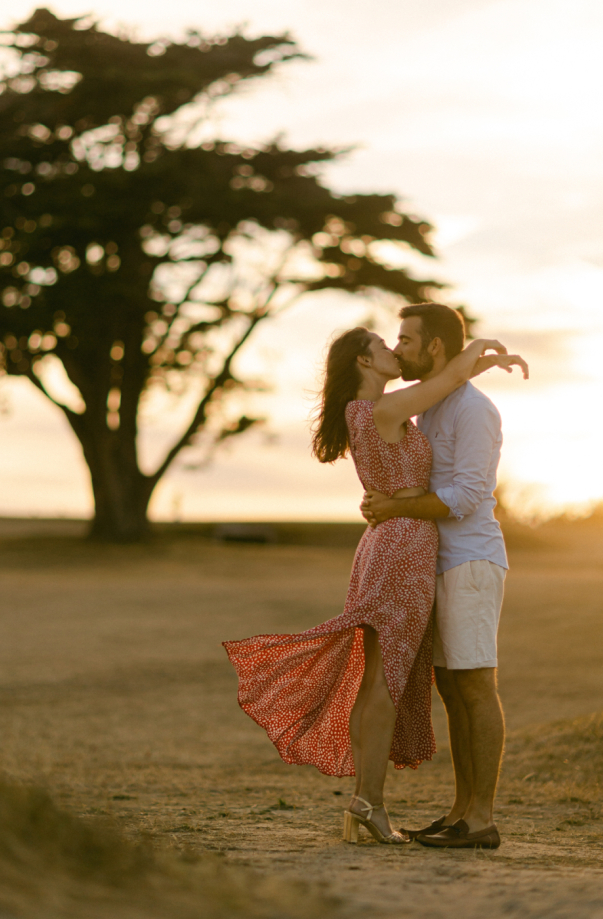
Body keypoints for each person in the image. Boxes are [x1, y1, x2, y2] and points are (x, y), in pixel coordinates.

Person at [223, 324, 526, 846]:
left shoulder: (383, 410)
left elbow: (447, 381)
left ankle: (374, 805)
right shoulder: (383, 411)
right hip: (403, 548)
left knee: (381, 678)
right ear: (364, 362)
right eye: (385, 346)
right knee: (385, 680)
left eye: (402, 339)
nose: (393, 348)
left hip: (396, 545)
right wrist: (481, 349)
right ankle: (370, 805)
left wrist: (472, 362)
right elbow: (448, 374)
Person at [361, 303, 528, 850]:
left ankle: (481, 818)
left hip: (471, 561)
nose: (399, 347)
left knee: (477, 686)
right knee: (452, 688)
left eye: (407, 339)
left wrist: (397, 508)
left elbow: (469, 496)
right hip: (436, 559)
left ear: (435, 346)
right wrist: (393, 501)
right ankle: (460, 811)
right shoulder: (431, 406)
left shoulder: (474, 411)